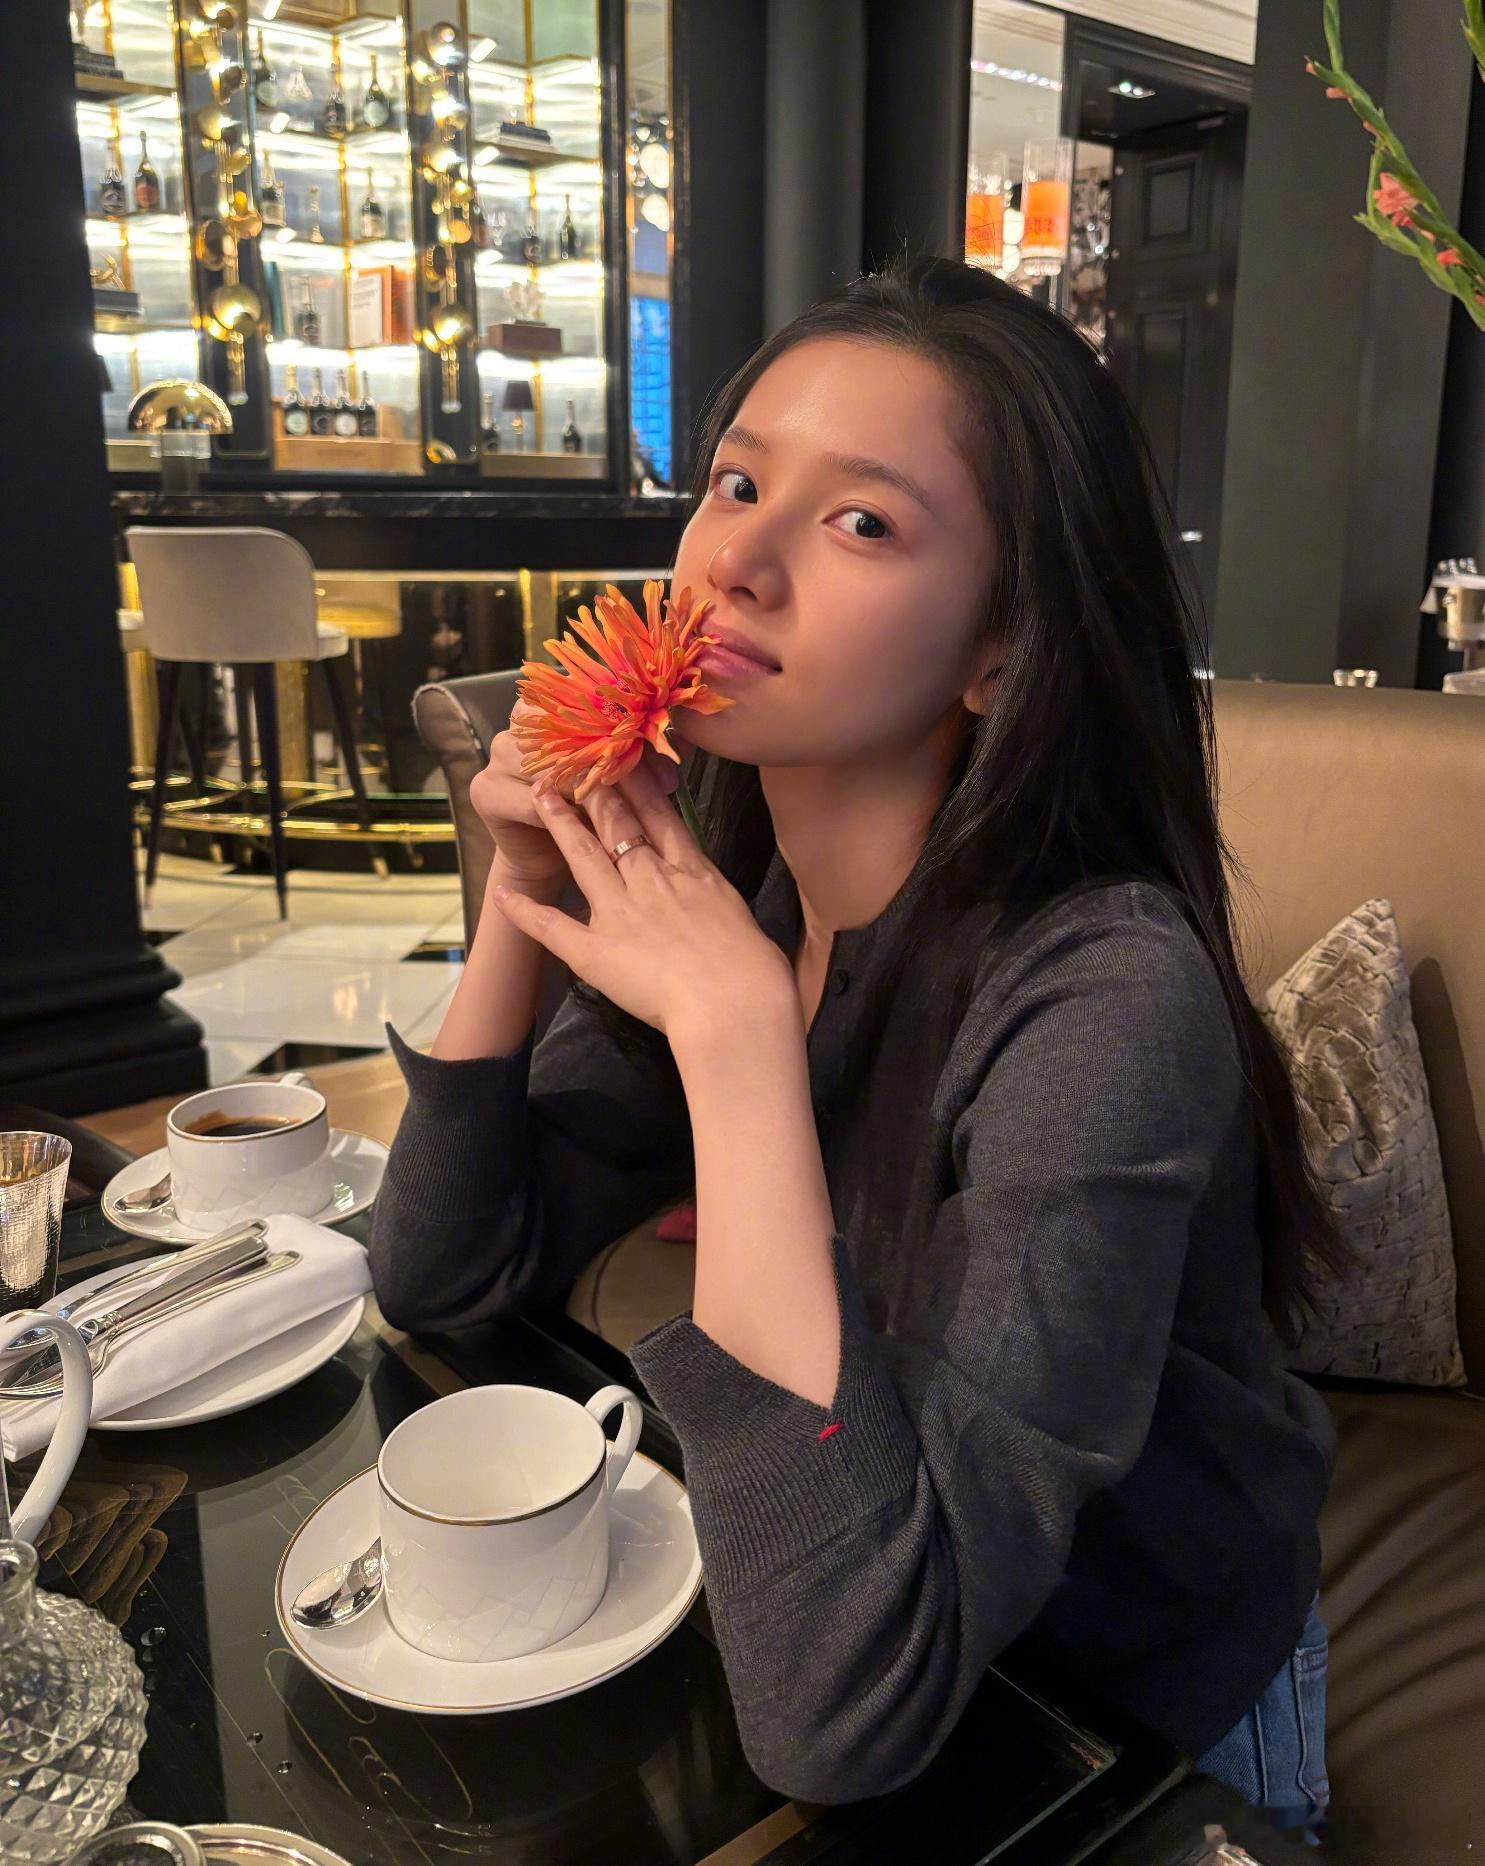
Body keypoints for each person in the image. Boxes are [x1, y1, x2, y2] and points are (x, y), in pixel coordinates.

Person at [369, 255, 1339, 1838]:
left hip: (1130, 1720)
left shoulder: (1102, 998)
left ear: (998, 653)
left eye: (863, 521)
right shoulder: (748, 890)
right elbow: (436, 1273)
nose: (737, 562)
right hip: (860, 1573)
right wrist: (523, 893)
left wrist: (738, 1044)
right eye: (737, 481)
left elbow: (840, 1708)